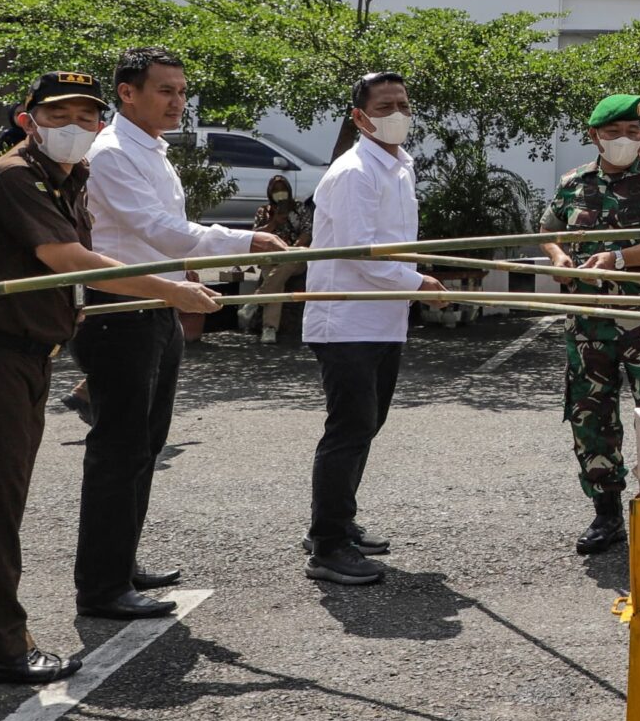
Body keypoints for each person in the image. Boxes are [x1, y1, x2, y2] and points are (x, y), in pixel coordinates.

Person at [0, 71, 222, 687]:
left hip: (28, 355)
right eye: (59, 117)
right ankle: (1, 646)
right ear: (29, 120)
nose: (76, 129)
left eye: (87, 117)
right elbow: (68, 260)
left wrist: (76, 306)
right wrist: (172, 288)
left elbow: (70, 273)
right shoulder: (16, 175)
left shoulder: (72, 177)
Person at [76, 49, 286, 621]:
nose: (178, 102)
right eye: (165, 91)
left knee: (144, 444)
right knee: (119, 450)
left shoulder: (151, 150)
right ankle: (101, 586)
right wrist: (243, 241)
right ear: (127, 93)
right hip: (120, 311)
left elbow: (162, 237)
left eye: (180, 91)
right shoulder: (113, 153)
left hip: (158, 308)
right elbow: (160, 232)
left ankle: (119, 564)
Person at [299, 73, 442, 586]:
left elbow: (389, 247)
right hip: (348, 319)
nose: (398, 113)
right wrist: (417, 280)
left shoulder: (398, 166)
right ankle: (328, 545)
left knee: (365, 426)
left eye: (404, 103)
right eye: (385, 106)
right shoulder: (355, 171)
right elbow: (359, 254)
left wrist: (411, 279)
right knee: (349, 429)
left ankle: (337, 523)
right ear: (359, 117)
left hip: (383, 317)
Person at [542, 94, 640, 556]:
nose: (624, 140)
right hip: (587, 322)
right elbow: (548, 229)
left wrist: (620, 257)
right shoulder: (574, 182)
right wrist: (560, 258)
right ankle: (606, 515)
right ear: (594, 137)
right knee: (591, 416)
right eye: (613, 133)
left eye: (633, 132)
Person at [251, 174, 311, 345]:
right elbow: (255, 235)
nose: (280, 193)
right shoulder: (264, 211)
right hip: (271, 257)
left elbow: (307, 231)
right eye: (276, 190)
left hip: (294, 257)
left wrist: (292, 249)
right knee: (276, 277)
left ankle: (256, 302)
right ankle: (269, 330)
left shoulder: (299, 208)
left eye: (282, 189)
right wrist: (274, 222)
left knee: (285, 265)